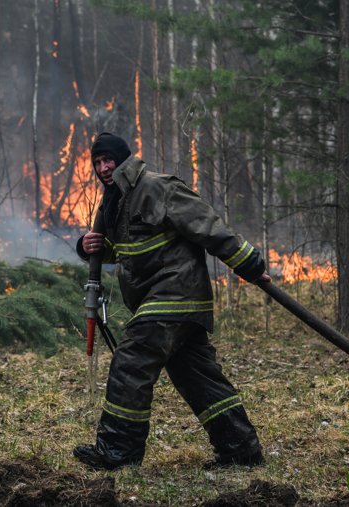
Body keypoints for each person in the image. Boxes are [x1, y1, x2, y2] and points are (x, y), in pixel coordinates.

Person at [73, 132, 270, 471]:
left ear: (124, 159)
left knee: (133, 356)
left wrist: (249, 264)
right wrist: (90, 247)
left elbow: (207, 226)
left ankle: (118, 453)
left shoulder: (156, 187)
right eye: (98, 163)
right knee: (196, 375)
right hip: (161, 297)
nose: (103, 168)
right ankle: (240, 450)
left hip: (177, 292)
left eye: (109, 160)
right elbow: (132, 248)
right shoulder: (117, 201)